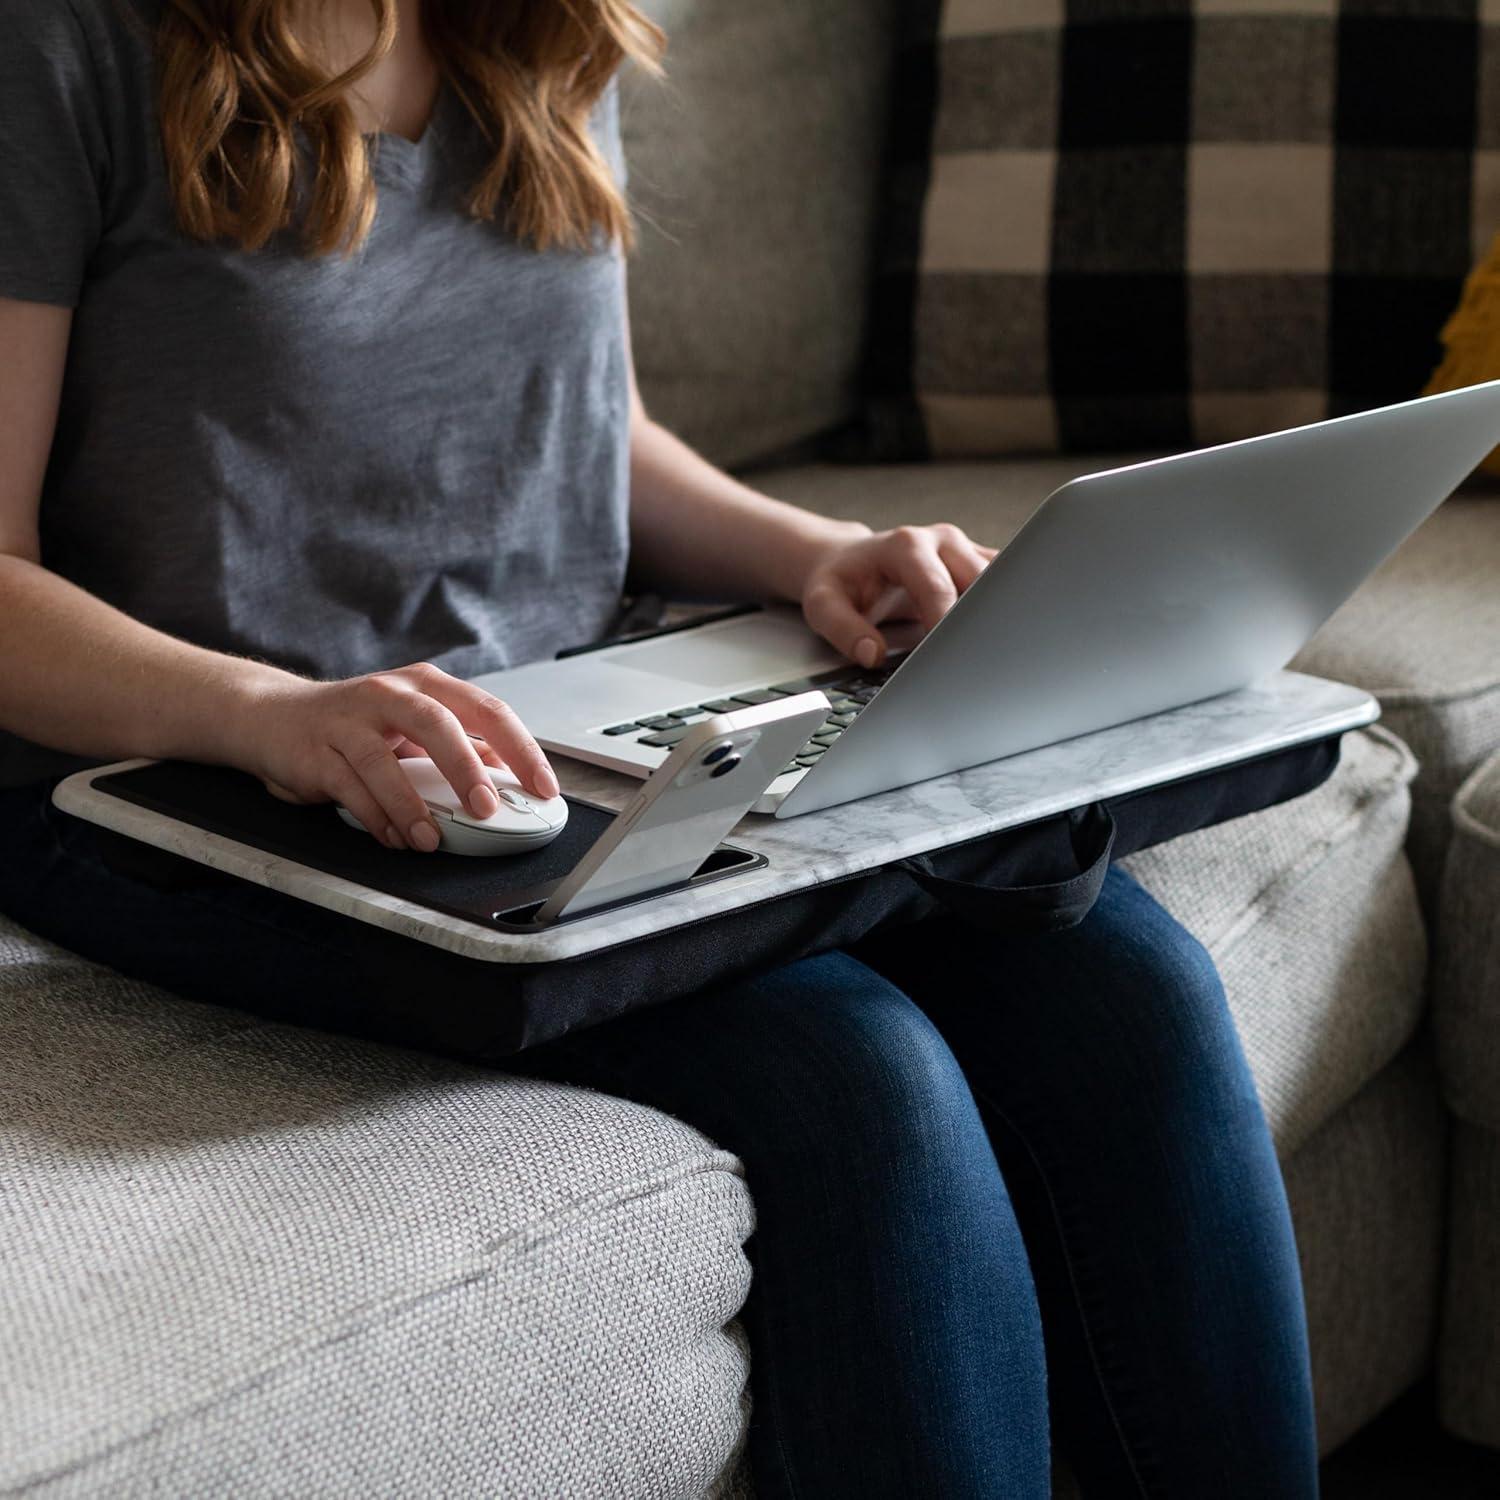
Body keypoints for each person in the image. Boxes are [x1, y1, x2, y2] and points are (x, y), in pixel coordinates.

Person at [0, 2, 1320, 1494]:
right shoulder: (62, 47)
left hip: (577, 716)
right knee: (860, 1079)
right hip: (190, 780)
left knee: (1128, 990)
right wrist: (262, 714)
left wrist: (812, 552)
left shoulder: (534, 27)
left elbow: (585, 425)